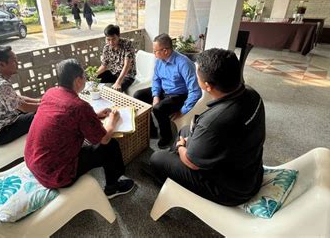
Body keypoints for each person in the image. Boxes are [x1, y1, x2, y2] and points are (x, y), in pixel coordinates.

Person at [145, 48, 266, 206]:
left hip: (232, 190)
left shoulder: (215, 121)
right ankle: (174, 161)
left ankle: (165, 176)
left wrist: (182, 147)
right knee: (184, 130)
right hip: (248, 170)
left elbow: (191, 162)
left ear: (208, 86)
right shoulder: (252, 94)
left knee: (158, 158)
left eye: (197, 75)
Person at [25, 58, 135, 198]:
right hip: (55, 174)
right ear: (78, 80)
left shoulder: (50, 93)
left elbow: (64, 115)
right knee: (110, 145)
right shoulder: (79, 106)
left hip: (34, 162)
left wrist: (94, 115)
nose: (85, 79)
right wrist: (112, 122)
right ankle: (113, 187)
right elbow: (104, 139)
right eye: (84, 76)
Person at [134, 33, 201, 148]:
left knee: (158, 109)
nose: (154, 54)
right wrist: (155, 95)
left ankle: (166, 136)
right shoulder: (160, 60)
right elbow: (156, 80)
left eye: (156, 51)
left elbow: (195, 91)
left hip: (179, 95)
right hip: (164, 91)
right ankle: (152, 130)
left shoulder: (184, 63)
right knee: (138, 95)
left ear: (165, 51)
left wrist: (183, 110)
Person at [0, 45, 40, 145]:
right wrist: (48, 105)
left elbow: (18, 99)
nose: (17, 63)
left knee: (38, 109)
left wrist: (40, 101)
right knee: (41, 115)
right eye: (14, 61)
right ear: (1, 64)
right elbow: (24, 107)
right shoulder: (0, 85)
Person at [96, 24, 136, 92]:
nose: (111, 42)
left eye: (113, 39)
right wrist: (92, 75)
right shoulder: (106, 48)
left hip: (127, 75)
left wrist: (118, 82)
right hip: (113, 73)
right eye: (108, 39)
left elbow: (127, 65)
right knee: (93, 79)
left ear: (118, 36)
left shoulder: (127, 44)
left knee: (115, 90)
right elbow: (104, 65)